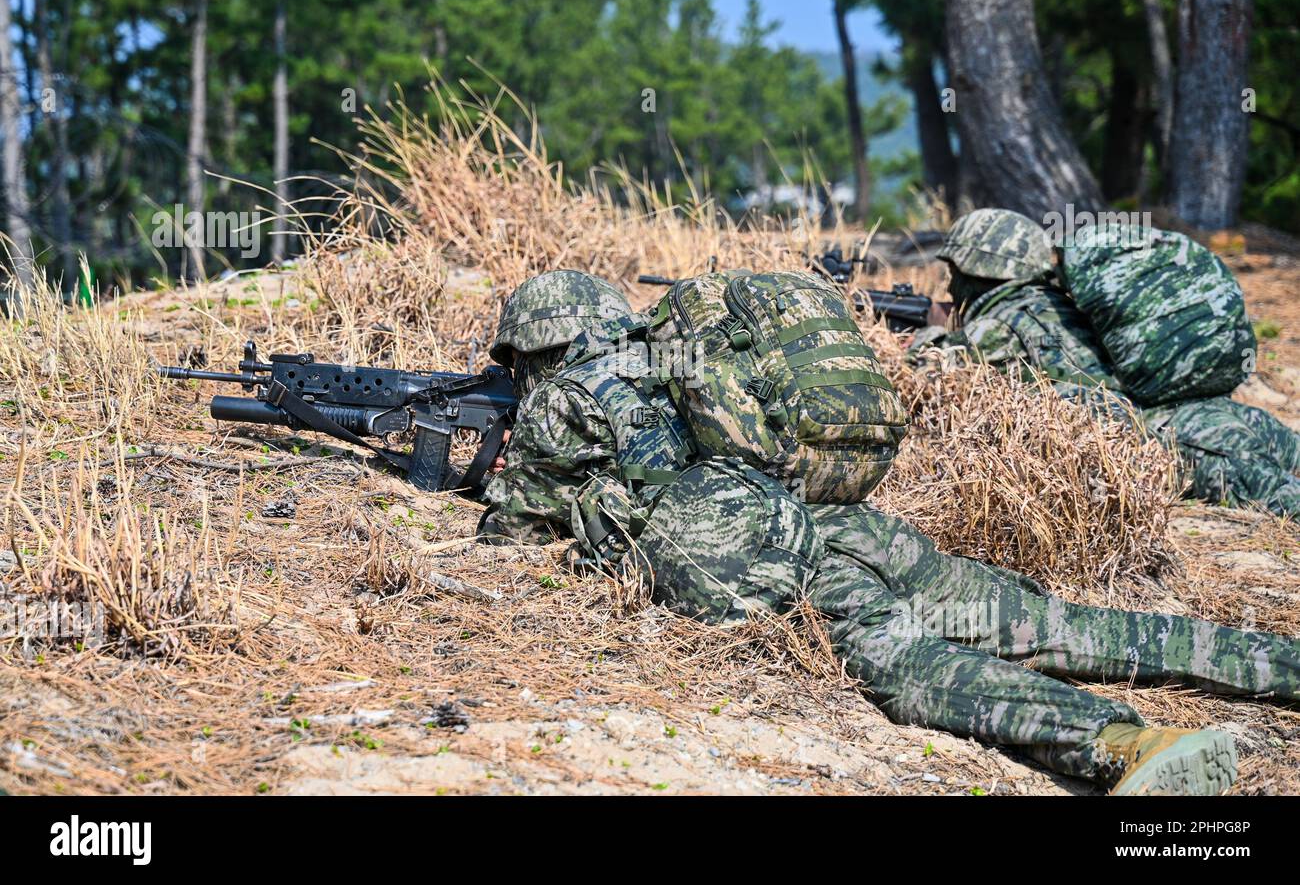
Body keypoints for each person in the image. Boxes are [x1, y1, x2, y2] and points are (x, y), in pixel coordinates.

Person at [477, 271, 1300, 795]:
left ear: (537, 348)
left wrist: (495, 475)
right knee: (1060, 623)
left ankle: (1126, 745)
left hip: (795, 557)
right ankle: (1279, 664)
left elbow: (511, 533)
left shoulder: (567, 394)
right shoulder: (679, 354)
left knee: (911, 666)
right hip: (859, 524)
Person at [914, 209, 1300, 516]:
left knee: (1275, 495)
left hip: (1158, 445)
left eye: (953, 274)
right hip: (1203, 413)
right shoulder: (1063, 302)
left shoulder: (999, 326)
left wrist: (927, 335)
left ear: (974, 272)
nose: (949, 285)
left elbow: (927, 377)